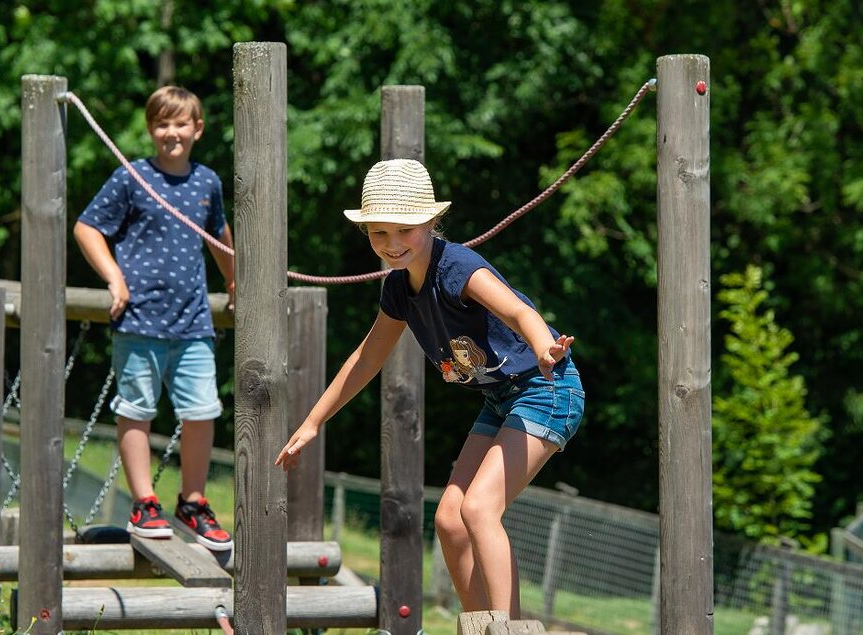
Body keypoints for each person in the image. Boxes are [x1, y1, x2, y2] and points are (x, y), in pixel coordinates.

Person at [275, 159, 585, 616]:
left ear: (431, 222)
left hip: (546, 386)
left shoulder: (459, 267)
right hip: (501, 398)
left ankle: (508, 627)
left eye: (405, 230)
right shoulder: (399, 290)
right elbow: (366, 357)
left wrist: (543, 348)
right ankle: (480, 624)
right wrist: (312, 422)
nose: (393, 244)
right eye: (379, 233)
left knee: (479, 511)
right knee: (449, 521)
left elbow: (519, 312)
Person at [74, 85, 234, 549]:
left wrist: (236, 282)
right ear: (150, 129)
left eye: (180, 123)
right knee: (137, 411)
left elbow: (218, 234)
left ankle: (193, 502)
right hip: (139, 319)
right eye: (162, 124)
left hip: (193, 323)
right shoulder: (132, 176)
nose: (171, 132)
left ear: (197, 129)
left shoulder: (206, 182)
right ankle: (144, 502)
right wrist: (114, 278)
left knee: (203, 410)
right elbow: (87, 227)